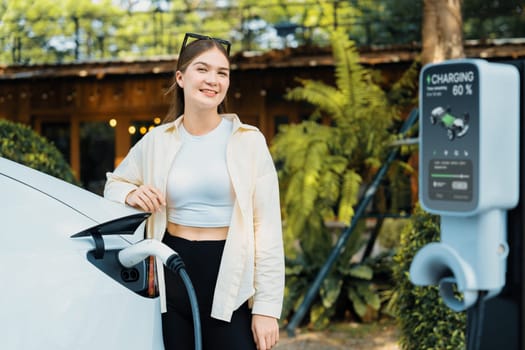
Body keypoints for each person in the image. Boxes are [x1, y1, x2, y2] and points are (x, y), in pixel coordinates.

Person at [104, 32, 284, 350]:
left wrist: (267, 309)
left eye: (222, 72)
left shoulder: (248, 140)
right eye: (202, 69)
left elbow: (267, 229)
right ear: (181, 77)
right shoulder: (157, 140)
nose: (212, 79)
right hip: (172, 271)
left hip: (230, 274)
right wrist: (130, 195)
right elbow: (113, 185)